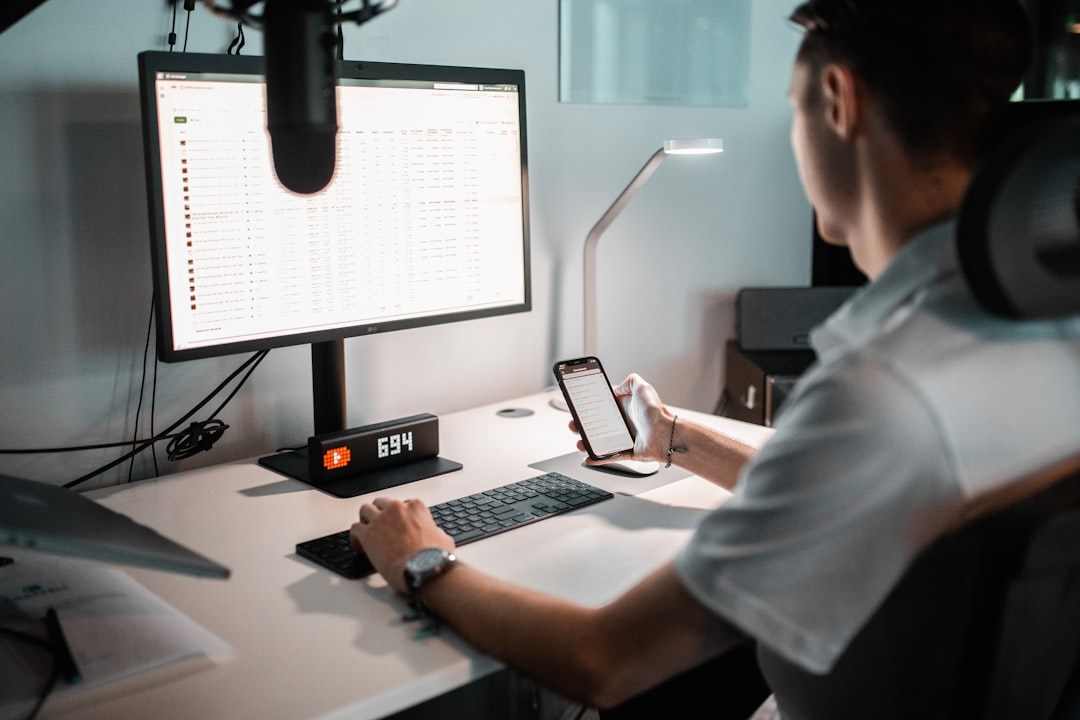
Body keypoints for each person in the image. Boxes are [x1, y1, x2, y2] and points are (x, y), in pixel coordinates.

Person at [351, 1, 1080, 716]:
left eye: (793, 109)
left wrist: (423, 561)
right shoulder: (1038, 326)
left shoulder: (885, 387)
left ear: (837, 100)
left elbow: (605, 662)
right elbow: (857, 492)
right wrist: (675, 437)